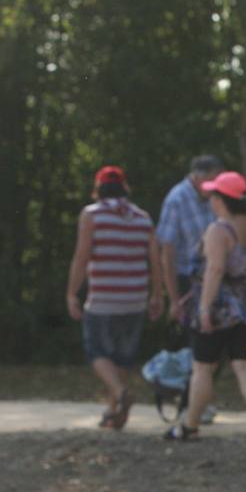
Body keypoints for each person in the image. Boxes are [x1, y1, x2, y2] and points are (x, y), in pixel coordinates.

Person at [164, 171, 246, 441]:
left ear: (222, 199)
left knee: (202, 367)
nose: (210, 200)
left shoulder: (219, 230)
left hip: (218, 309)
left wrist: (204, 309)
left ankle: (189, 425)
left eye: (214, 195)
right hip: (245, 308)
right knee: (242, 365)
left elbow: (215, 270)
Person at [64, 165, 163, 429]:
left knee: (96, 351)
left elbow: (82, 256)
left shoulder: (92, 215)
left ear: (98, 188)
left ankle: (119, 394)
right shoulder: (142, 218)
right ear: (124, 187)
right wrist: (158, 295)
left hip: (104, 298)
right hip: (135, 298)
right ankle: (113, 413)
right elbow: (155, 260)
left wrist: (72, 292)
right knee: (122, 358)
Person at [156, 155, 225, 335]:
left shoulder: (215, 198)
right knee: (195, 338)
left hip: (213, 276)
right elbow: (167, 253)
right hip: (187, 280)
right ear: (197, 177)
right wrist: (174, 299)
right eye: (212, 180)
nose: (215, 185)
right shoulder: (176, 200)